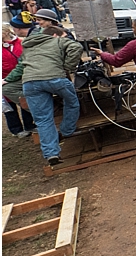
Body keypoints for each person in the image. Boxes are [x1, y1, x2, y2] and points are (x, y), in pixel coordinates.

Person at [2, 25, 82, 165]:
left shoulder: (28, 46)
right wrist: (67, 67)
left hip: (30, 82)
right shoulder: (56, 41)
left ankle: (51, 153)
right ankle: (67, 130)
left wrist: (7, 80)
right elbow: (77, 47)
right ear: (55, 35)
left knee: (43, 119)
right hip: (55, 78)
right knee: (72, 102)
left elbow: (21, 66)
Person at [2, 23, 35, 138]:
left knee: (23, 100)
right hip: (4, 79)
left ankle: (29, 125)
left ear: (5, 32)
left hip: (21, 76)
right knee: (9, 105)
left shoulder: (20, 43)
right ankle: (16, 129)